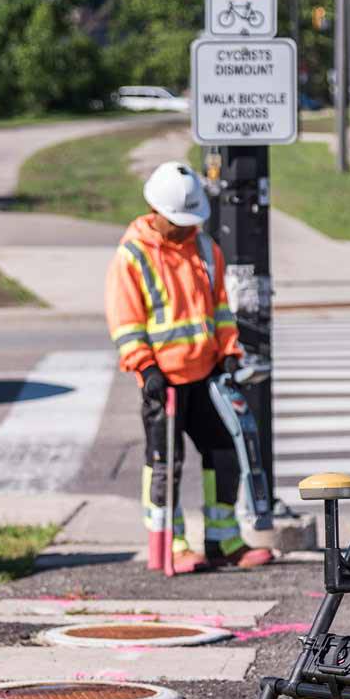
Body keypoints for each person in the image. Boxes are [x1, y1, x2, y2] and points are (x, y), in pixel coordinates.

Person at [105, 161, 272, 572]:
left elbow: (219, 306)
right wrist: (146, 369)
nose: (185, 228)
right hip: (164, 382)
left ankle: (223, 539)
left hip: (207, 376)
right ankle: (173, 545)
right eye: (177, 221)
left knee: (224, 455)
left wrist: (228, 350)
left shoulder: (205, 248)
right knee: (166, 464)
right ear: (155, 211)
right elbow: (125, 320)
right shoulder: (133, 255)